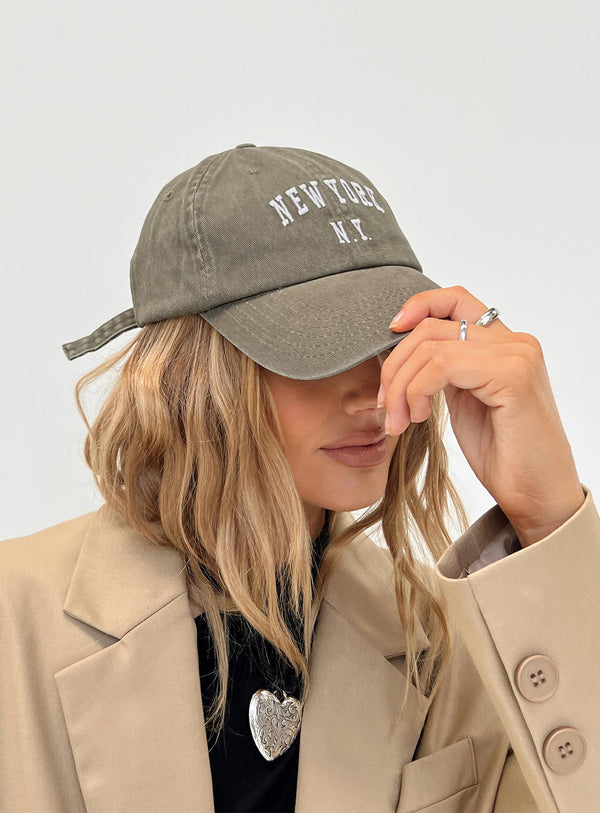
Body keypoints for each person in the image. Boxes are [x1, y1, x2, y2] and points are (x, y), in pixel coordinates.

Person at [1, 143, 597, 813]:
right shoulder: (15, 619)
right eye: (322, 348)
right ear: (194, 373)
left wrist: (548, 512)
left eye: (394, 341)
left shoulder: (444, 646)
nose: (376, 393)